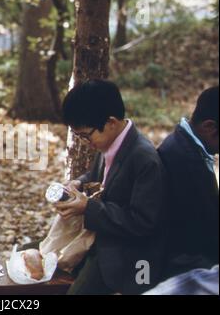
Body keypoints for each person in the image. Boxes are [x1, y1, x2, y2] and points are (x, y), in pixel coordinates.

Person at [57, 79, 167, 295]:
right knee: (31, 254)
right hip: (97, 236)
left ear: (111, 122)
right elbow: (100, 176)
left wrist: (88, 208)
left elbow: (142, 223)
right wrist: (79, 182)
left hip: (123, 254)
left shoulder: (144, 159)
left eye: (86, 135)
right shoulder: (109, 141)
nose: (86, 142)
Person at [158, 86, 219, 280]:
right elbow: (205, 232)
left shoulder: (187, 143)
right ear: (209, 127)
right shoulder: (184, 159)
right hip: (183, 263)